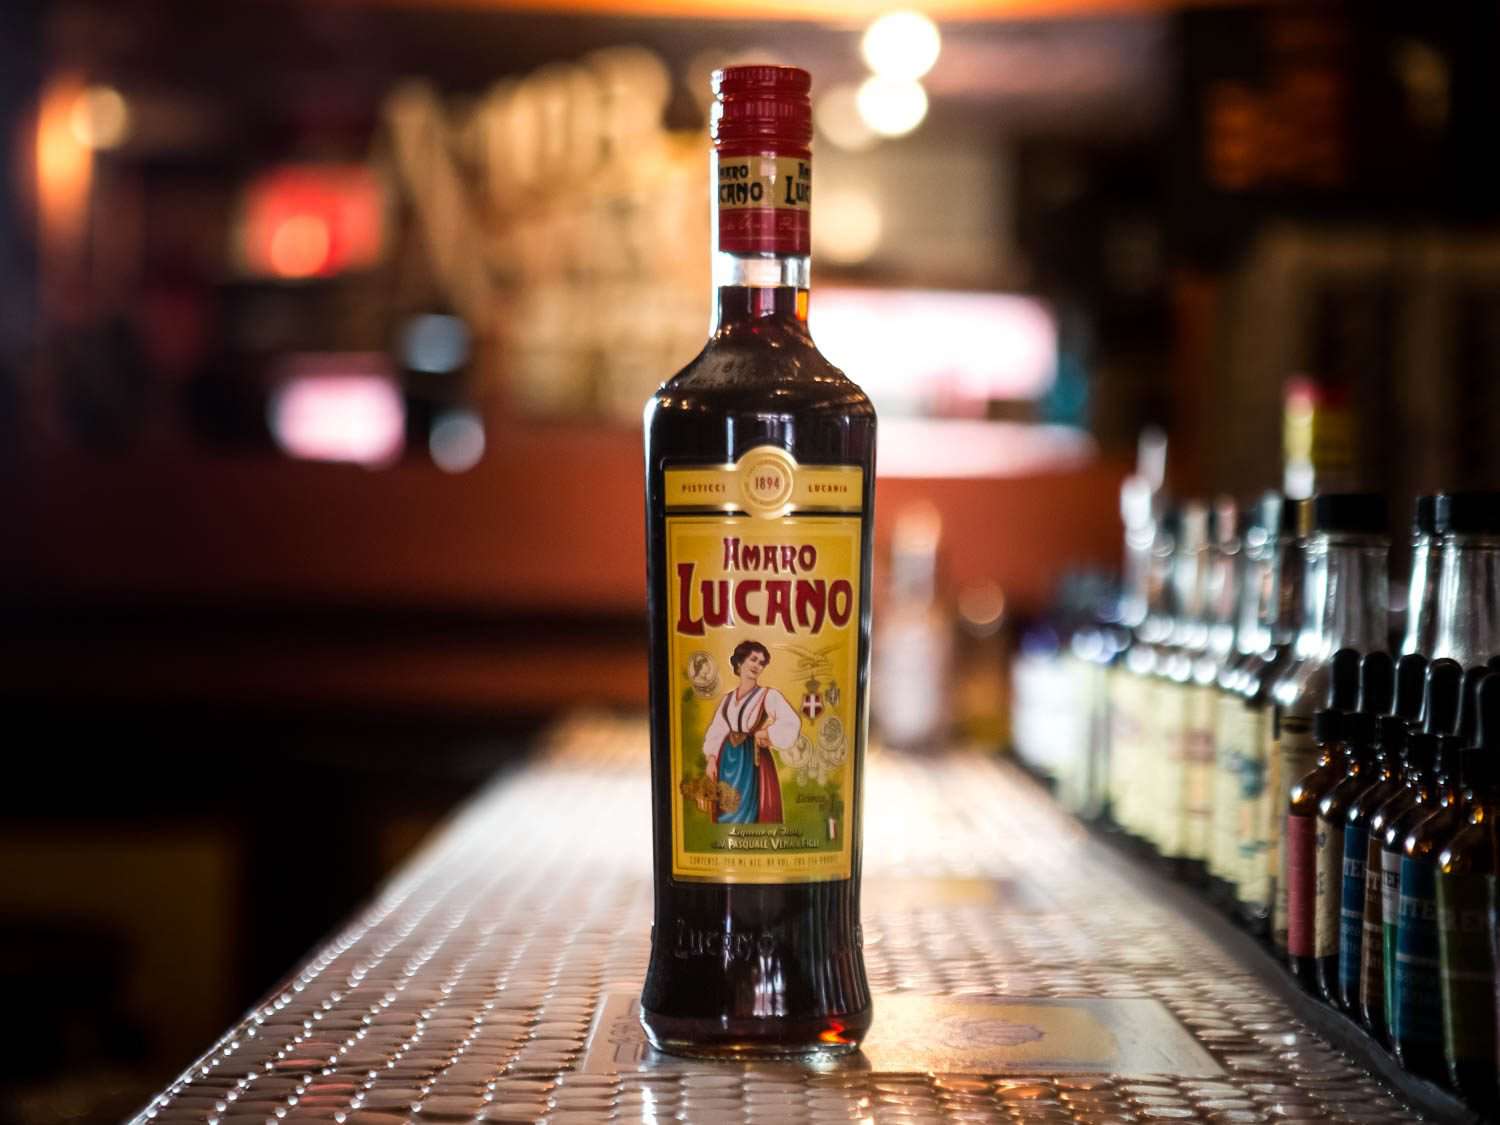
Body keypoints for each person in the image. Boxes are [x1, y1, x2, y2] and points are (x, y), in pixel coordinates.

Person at [702, 640, 800, 823]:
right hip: (727, 761)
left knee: (752, 812)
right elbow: (717, 729)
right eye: (753, 659)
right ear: (740, 662)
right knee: (726, 808)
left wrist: (768, 734)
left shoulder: (768, 695)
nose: (757, 665)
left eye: (761, 663)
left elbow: (791, 721)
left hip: (753, 761)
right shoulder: (728, 700)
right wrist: (712, 759)